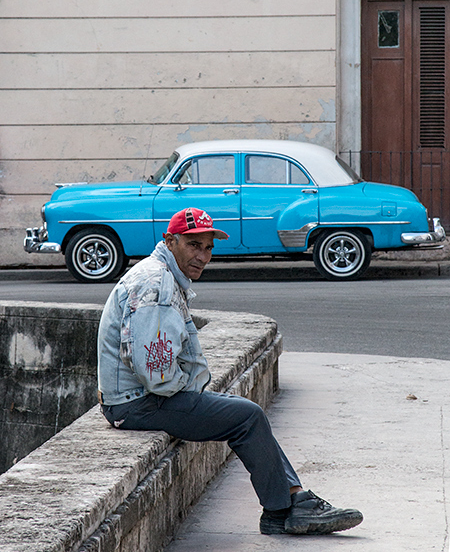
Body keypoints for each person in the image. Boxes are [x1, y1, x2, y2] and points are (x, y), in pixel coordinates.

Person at [97, 207, 363, 536]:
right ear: (170, 240)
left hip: (139, 399)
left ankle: (292, 503)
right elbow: (157, 374)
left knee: (242, 413)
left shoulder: (162, 275)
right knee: (246, 416)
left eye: (208, 248)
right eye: (194, 245)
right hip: (137, 404)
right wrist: (189, 389)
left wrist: (193, 390)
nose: (203, 256)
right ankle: (284, 510)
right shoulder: (157, 287)